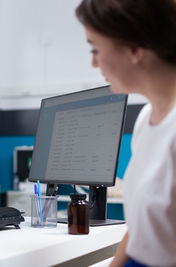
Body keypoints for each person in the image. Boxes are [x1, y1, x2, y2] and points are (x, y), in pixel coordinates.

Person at [76, 0, 176, 266]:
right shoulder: (147, 118)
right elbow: (140, 231)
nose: (94, 64)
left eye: (96, 49)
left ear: (134, 47)